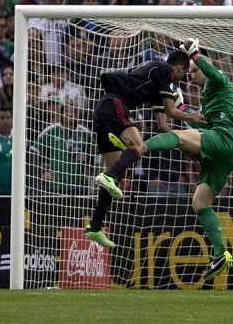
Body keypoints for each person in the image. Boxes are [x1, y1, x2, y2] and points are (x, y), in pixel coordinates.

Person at [90, 38, 233, 281]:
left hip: (226, 139)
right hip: (225, 153)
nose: (190, 77)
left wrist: (194, 54)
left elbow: (212, 72)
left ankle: (134, 154)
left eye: (194, 72)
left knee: (173, 137)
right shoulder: (207, 96)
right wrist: (185, 113)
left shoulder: (221, 81)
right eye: (189, 72)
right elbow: (176, 121)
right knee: (200, 203)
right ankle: (220, 252)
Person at [84, 49, 202, 246]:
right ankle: (107, 177)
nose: (184, 78)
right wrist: (193, 116)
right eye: (184, 73)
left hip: (104, 111)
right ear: (178, 68)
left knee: (115, 176)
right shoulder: (164, 69)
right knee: (139, 146)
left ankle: (95, 226)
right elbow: (172, 110)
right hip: (115, 104)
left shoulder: (158, 85)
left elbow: (164, 125)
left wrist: (188, 149)